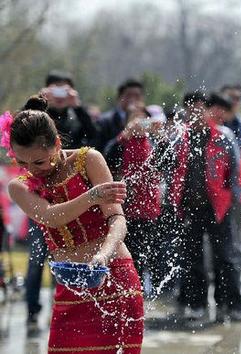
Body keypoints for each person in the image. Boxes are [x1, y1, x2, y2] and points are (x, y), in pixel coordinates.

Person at [5, 96, 143, 353]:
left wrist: (103, 255)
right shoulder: (19, 186)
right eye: (22, 162)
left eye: (39, 162)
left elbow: (118, 220)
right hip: (70, 287)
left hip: (114, 275)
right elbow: (51, 217)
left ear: (56, 144)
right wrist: (92, 196)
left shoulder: (88, 160)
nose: (32, 170)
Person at [25, 70, 100, 330]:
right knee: (36, 260)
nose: (59, 94)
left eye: (64, 89)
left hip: (73, 197)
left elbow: (95, 137)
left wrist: (77, 107)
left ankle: (68, 309)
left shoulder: (75, 117)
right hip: (40, 197)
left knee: (68, 258)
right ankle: (32, 310)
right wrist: (37, 103)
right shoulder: (36, 116)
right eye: (53, 89)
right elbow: (21, 135)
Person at [169, 92, 241, 322]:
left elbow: (236, 170)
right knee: (192, 258)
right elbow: (171, 169)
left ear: (209, 110)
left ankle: (232, 304)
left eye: (200, 108)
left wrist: (235, 200)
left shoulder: (223, 136)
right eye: (191, 108)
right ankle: (196, 304)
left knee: (226, 256)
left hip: (220, 206)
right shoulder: (180, 137)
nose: (195, 113)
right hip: (189, 206)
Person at [104, 102, 165, 296]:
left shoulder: (154, 142)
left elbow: (168, 165)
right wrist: (123, 137)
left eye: (143, 118)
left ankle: (151, 293)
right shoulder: (121, 143)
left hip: (150, 208)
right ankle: (130, 290)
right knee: (130, 253)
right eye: (134, 118)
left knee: (152, 254)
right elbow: (107, 160)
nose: (139, 123)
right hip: (125, 208)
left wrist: (160, 136)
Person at [96, 78, 145, 153]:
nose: (133, 99)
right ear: (119, 97)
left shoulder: (147, 119)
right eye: (129, 95)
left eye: (137, 96)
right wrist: (123, 136)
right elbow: (101, 151)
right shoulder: (105, 121)